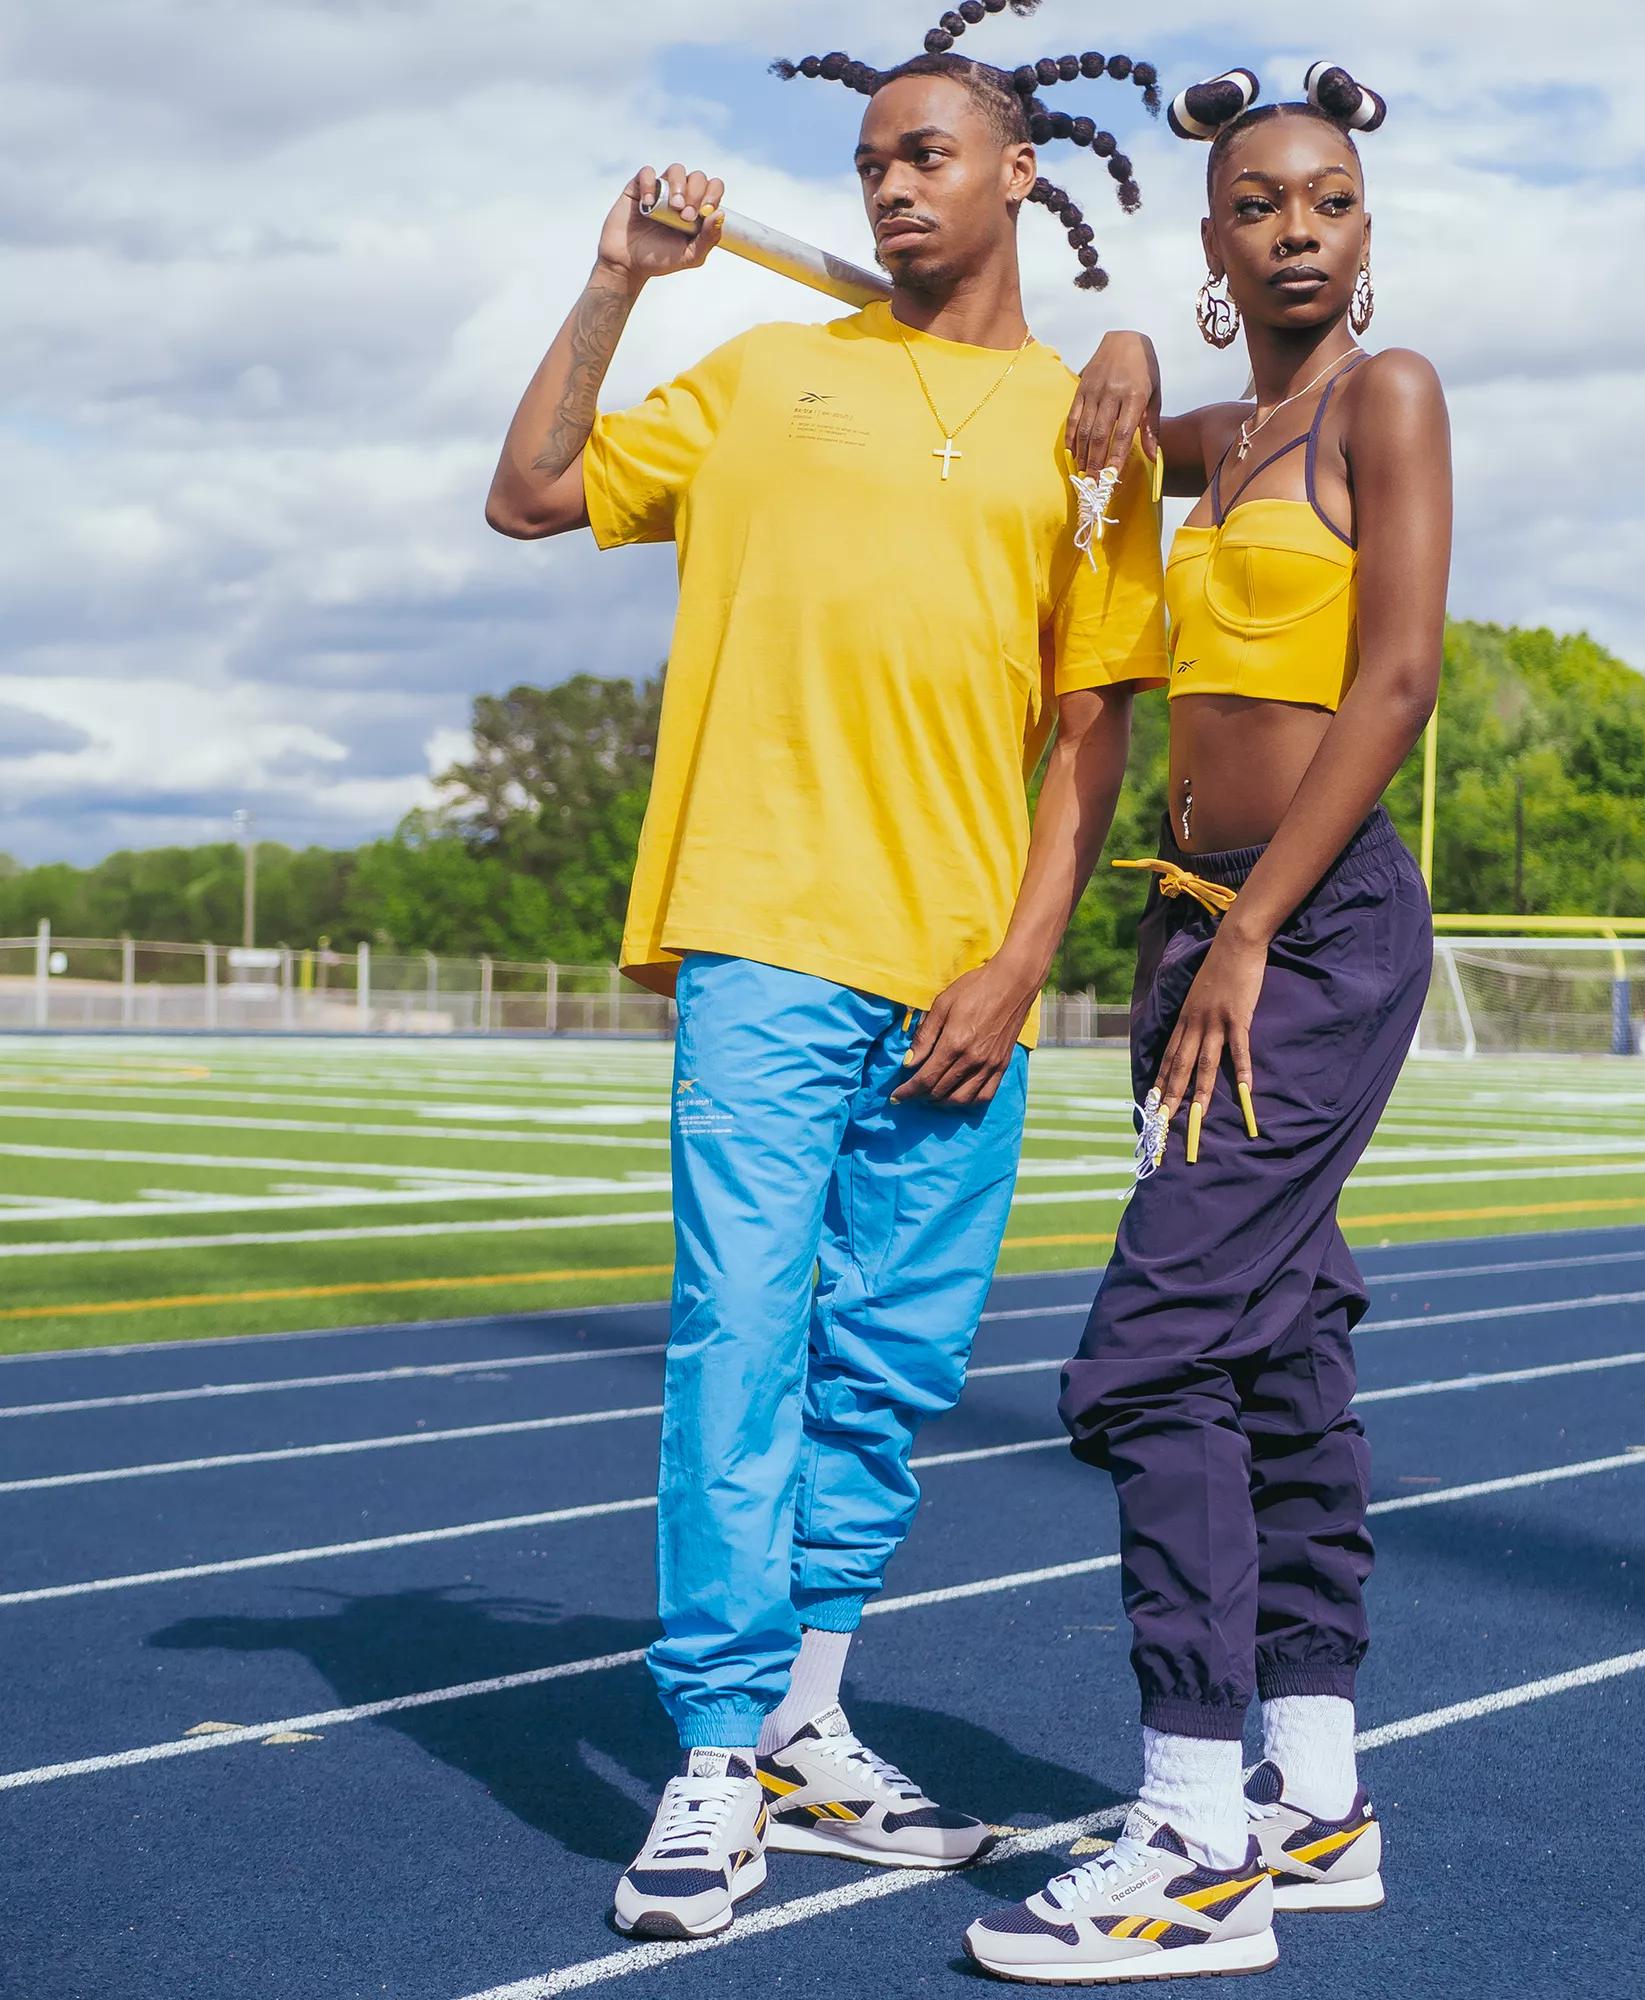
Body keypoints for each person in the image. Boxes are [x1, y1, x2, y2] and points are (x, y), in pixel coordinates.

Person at [484, 21, 1168, 1944]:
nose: (891, 181)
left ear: (1016, 173)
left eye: (933, 150)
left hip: (966, 972)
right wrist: (619, 281)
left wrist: (1023, 961)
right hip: (768, 932)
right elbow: (529, 491)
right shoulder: (763, 370)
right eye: (873, 157)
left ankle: (806, 1715)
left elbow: (1091, 725)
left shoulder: (1089, 429)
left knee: (886, 1375)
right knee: (743, 1336)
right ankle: (709, 1763)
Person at [965, 62, 1451, 1983]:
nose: (1296, 228)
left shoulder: (1383, 401)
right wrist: (1097, 338)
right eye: (1258, 202)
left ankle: (1189, 1837)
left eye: (1325, 197)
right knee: (1270, 1345)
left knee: (1150, 1355)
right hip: (1196, 932)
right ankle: (1312, 1801)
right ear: (1214, 240)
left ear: (1366, 224)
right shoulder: (1220, 430)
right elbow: (1091, 427)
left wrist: (1252, 929)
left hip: (1306, 934)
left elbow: (1395, 677)